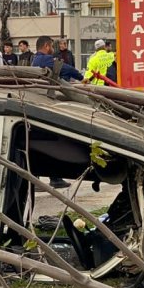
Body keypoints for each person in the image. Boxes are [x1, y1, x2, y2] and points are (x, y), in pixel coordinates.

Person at [32, 35, 85, 189]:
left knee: (41, 142)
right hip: (46, 104)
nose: (53, 49)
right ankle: (53, 178)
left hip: (36, 103)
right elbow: (66, 68)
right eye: (51, 46)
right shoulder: (46, 60)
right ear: (46, 46)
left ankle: (43, 178)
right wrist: (81, 78)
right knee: (51, 141)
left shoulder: (34, 59)